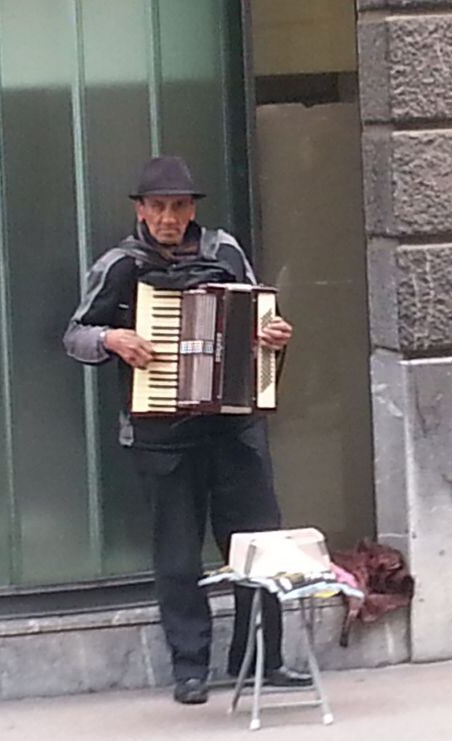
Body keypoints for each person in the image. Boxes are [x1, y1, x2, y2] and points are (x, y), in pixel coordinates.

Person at [63, 155, 310, 705]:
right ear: (141, 210)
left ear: (192, 208)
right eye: (159, 207)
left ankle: (264, 659)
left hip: (232, 425)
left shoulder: (224, 252)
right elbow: (75, 334)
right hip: (162, 434)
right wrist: (113, 341)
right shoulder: (120, 266)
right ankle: (190, 668)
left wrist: (271, 335)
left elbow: (255, 314)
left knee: (258, 541)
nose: (169, 217)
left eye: (179, 206)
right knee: (177, 552)